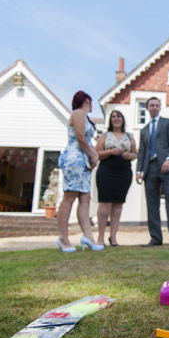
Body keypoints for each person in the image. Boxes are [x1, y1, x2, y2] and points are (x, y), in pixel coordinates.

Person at [135, 97, 169, 247]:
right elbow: (142, 152)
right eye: (151, 105)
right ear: (147, 108)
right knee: (152, 203)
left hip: (168, 168)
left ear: (160, 107)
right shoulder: (144, 130)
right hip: (150, 168)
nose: (154, 107)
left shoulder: (168, 122)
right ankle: (156, 238)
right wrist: (139, 170)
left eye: (157, 105)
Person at [57, 91, 103, 253]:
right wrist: (92, 155)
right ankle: (63, 238)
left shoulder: (85, 117)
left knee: (85, 197)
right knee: (70, 196)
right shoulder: (78, 113)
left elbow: (88, 141)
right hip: (74, 158)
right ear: (87, 101)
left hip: (83, 160)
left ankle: (88, 237)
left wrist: (94, 156)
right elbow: (80, 137)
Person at [95, 110, 137, 246]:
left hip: (123, 172)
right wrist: (111, 151)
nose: (116, 118)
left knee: (118, 204)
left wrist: (128, 156)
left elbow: (135, 154)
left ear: (123, 119)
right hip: (106, 170)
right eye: (113, 117)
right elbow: (97, 154)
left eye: (118, 116)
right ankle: (100, 237)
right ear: (110, 120)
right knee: (105, 203)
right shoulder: (104, 135)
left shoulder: (130, 136)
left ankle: (113, 237)